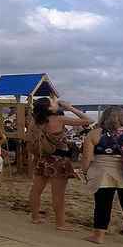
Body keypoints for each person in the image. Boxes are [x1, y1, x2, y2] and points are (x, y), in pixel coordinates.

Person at [81, 106, 123, 247]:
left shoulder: (95, 134)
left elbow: (87, 158)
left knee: (102, 205)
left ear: (104, 117)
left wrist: (85, 172)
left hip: (102, 173)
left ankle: (99, 236)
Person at [27, 97, 93, 230]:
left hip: (43, 159)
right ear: (49, 108)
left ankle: (35, 217)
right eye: (53, 102)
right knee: (58, 194)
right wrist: (69, 108)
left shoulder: (35, 122)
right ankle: (60, 224)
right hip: (59, 161)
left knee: (36, 190)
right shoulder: (59, 119)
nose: (56, 102)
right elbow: (89, 120)